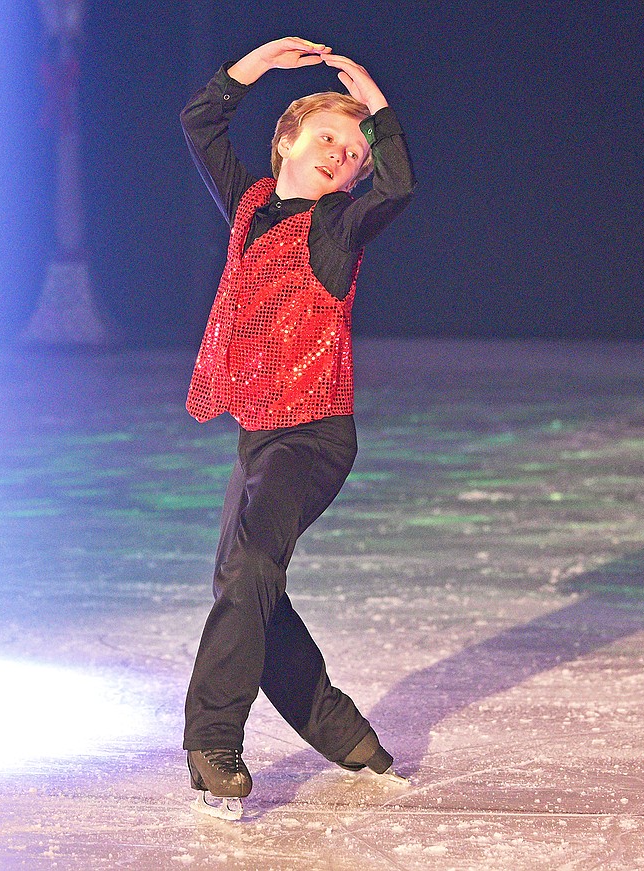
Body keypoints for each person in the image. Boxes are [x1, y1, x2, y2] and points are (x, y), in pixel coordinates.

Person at [180, 36, 415, 820]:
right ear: (287, 140)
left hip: (314, 438)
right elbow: (200, 125)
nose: (340, 156)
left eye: (350, 153)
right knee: (251, 587)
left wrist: (376, 111)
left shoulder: (336, 230)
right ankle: (349, 737)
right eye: (327, 138)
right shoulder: (248, 202)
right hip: (259, 433)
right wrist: (247, 71)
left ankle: (213, 742)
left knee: (249, 565)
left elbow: (398, 188)